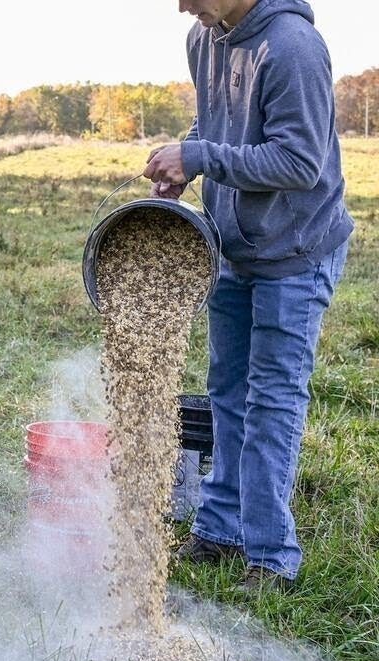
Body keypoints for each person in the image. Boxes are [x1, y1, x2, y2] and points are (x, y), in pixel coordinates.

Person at [142, 0, 352, 592]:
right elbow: (212, 127)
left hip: (295, 249)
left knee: (272, 400)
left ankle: (271, 557)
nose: (182, 4)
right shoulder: (203, 37)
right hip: (233, 246)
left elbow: (300, 162)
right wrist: (185, 160)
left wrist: (203, 157)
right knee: (227, 391)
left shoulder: (292, 48)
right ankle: (219, 527)